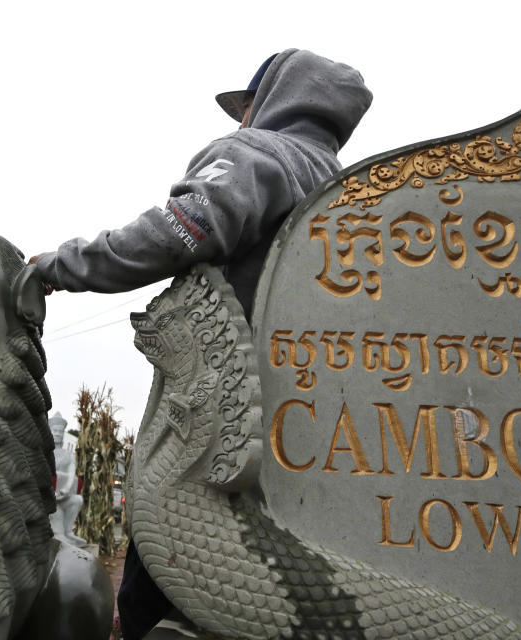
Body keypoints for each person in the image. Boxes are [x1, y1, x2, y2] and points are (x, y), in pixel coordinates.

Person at [30, 48, 372, 640]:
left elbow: (181, 230)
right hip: (311, 442)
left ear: (269, 101)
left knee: (160, 600)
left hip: (212, 438)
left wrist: (60, 265)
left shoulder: (259, 155)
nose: (240, 121)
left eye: (247, 108)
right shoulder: (356, 195)